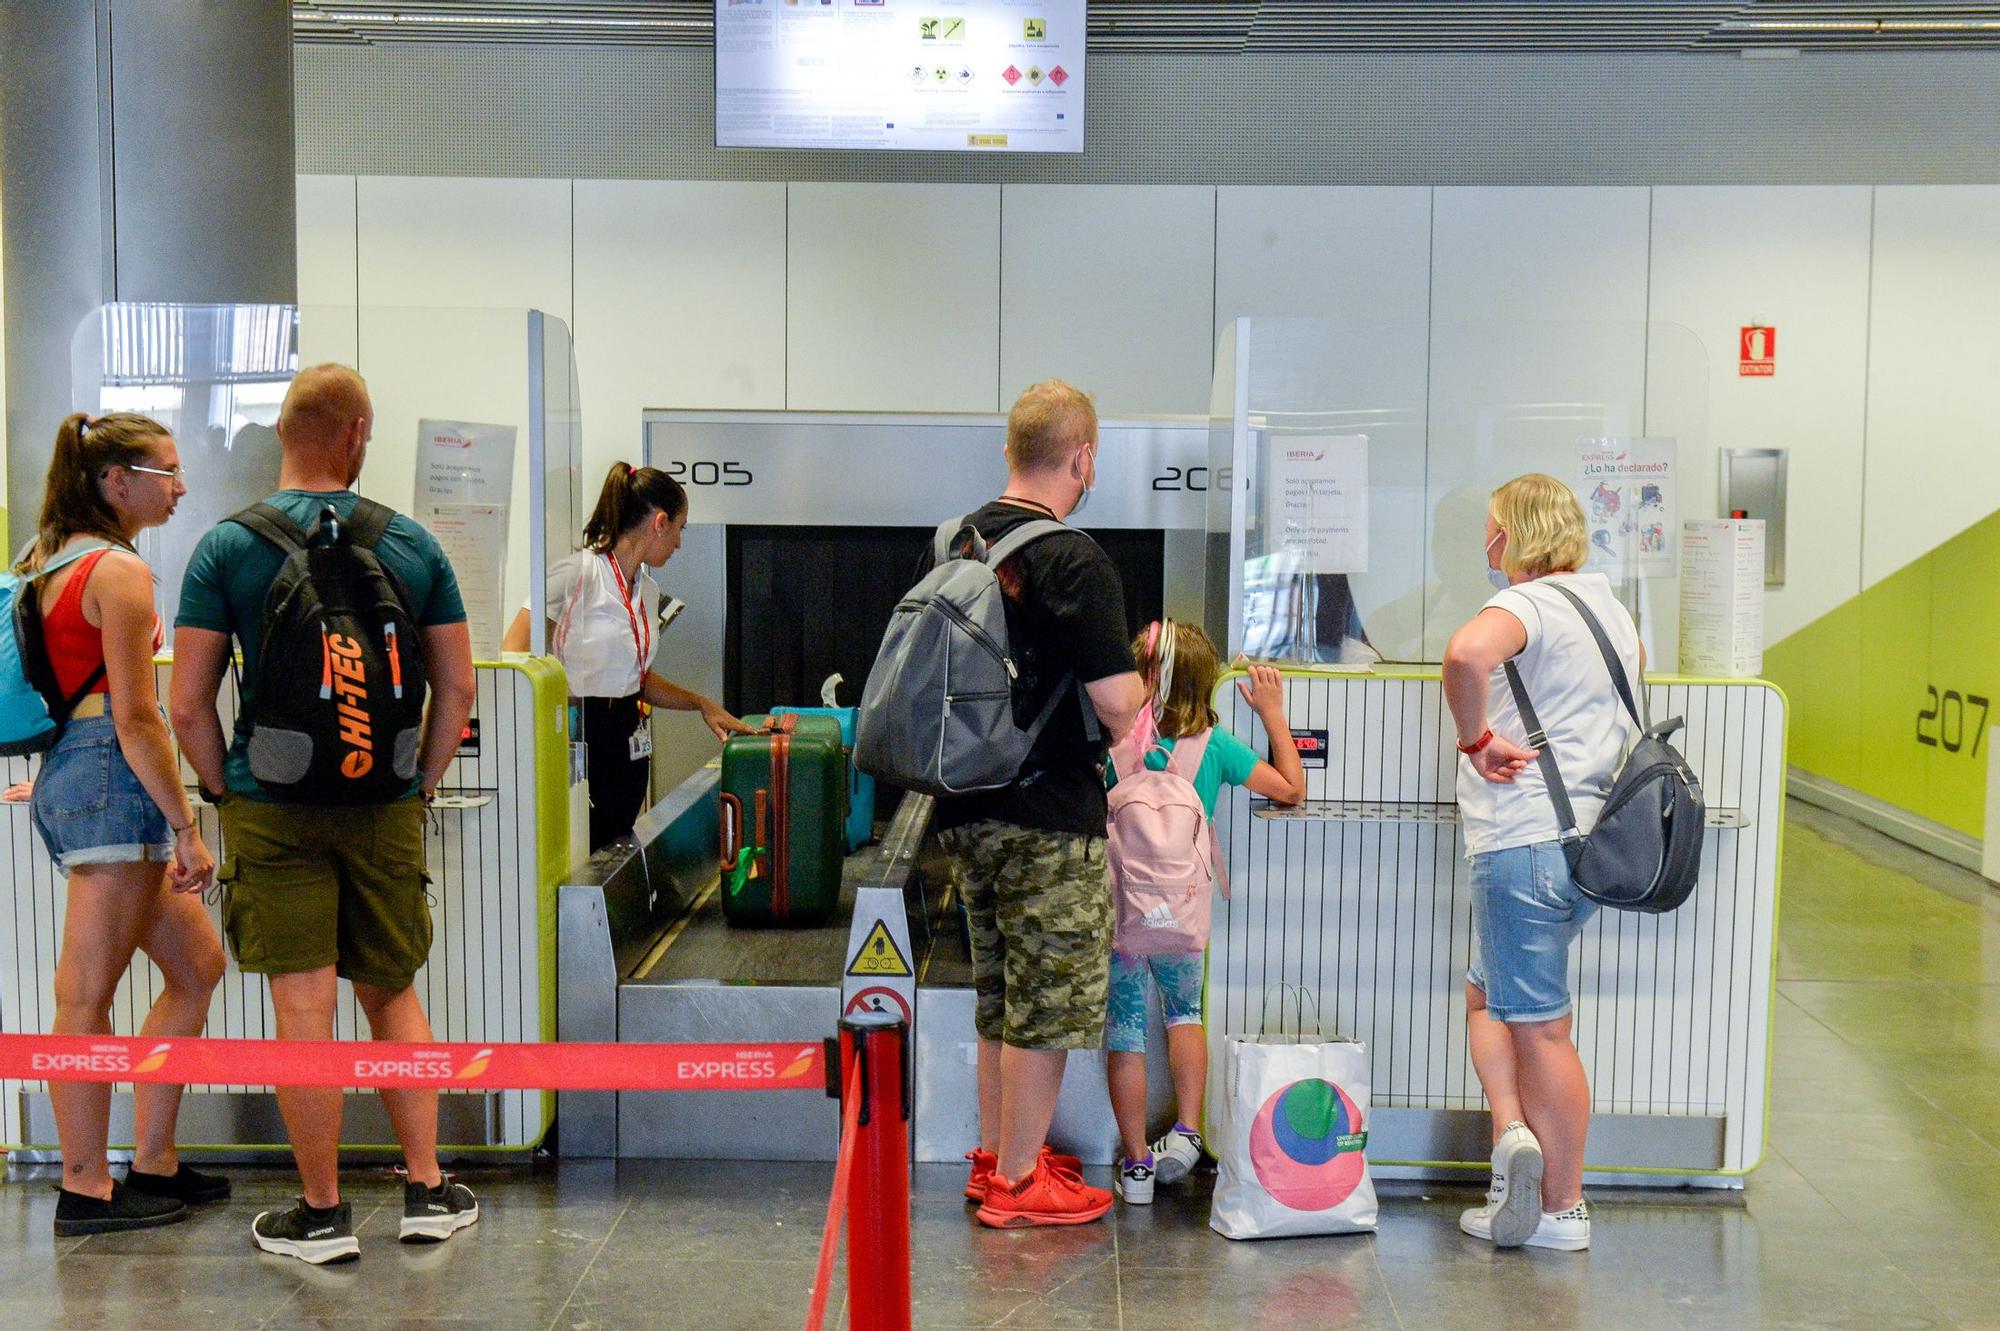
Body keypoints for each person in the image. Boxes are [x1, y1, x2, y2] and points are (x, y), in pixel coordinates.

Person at [170, 365, 479, 1264]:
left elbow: (188, 703)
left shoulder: (226, 548)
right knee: (392, 990)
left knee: (302, 1008)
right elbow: (455, 686)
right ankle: (426, 1187)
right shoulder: (413, 544)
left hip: (270, 801)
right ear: (357, 434)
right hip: (383, 801)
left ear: (283, 433)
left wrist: (225, 791)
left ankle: (322, 1213)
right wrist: (416, 783)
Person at [928, 379, 1146, 1229]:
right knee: (1051, 996)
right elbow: (1120, 701)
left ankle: (998, 1156)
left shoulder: (955, 541)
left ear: (1010, 452)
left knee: (1000, 993)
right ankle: (1022, 1182)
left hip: (967, 806)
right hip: (1049, 811)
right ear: (1082, 456)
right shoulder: (1072, 557)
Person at [23, 412, 228, 1237]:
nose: (180, 488)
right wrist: (186, 824)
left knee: (198, 962)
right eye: (166, 472)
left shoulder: (44, 562)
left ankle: (152, 1160)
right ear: (116, 481)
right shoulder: (119, 572)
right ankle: (84, 1185)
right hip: (114, 776)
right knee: (85, 992)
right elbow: (140, 718)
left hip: (77, 769)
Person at [1441, 472, 1643, 1254]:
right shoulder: (1611, 609)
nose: (1484, 543)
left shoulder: (1526, 604)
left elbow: (1466, 654)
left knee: (1543, 1028)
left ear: (1512, 535)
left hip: (1521, 838)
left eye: (1491, 528)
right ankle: (1512, 1138)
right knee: (1488, 993)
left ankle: (1560, 1207)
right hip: (1583, 842)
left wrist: (1474, 739)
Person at [1102, 631, 1304, 1205]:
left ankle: (1137, 1165)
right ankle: (1188, 1133)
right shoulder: (1214, 747)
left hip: (1123, 916)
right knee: (1185, 1014)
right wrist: (1272, 713)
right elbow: (1291, 788)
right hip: (1184, 917)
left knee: (1125, 1029)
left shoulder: (1114, 742)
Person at [501, 462, 751, 851]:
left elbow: (638, 678)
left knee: (615, 849)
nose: (679, 544)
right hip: (581, 737)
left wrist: (701, 704)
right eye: (680, 530)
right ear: (660, 522)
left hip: (628, 740)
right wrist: (555, 715)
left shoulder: (646, 590)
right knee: (579, 850)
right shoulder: (576, 573)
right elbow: (513, 654)